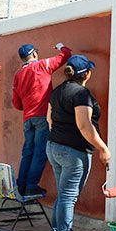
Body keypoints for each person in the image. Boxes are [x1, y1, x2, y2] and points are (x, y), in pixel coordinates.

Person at [45, 54, 111, 231]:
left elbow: (49, 119)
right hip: (73, 152)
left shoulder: (57, 92)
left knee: (63, 196)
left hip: (54, 147)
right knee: (68, 198)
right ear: (87, 74)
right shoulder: (81, 93)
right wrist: (103, 148)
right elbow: (84, 125)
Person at [12, 42, 72, 196]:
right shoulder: (43, 65)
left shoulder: (18, 76)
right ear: (33, 54)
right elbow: (66, 55)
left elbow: (17, 104)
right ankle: (31, 185)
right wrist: (60, 46)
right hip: (42, 115)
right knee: (40, 152)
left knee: (28, 152)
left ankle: (21, 185)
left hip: (27, 118)